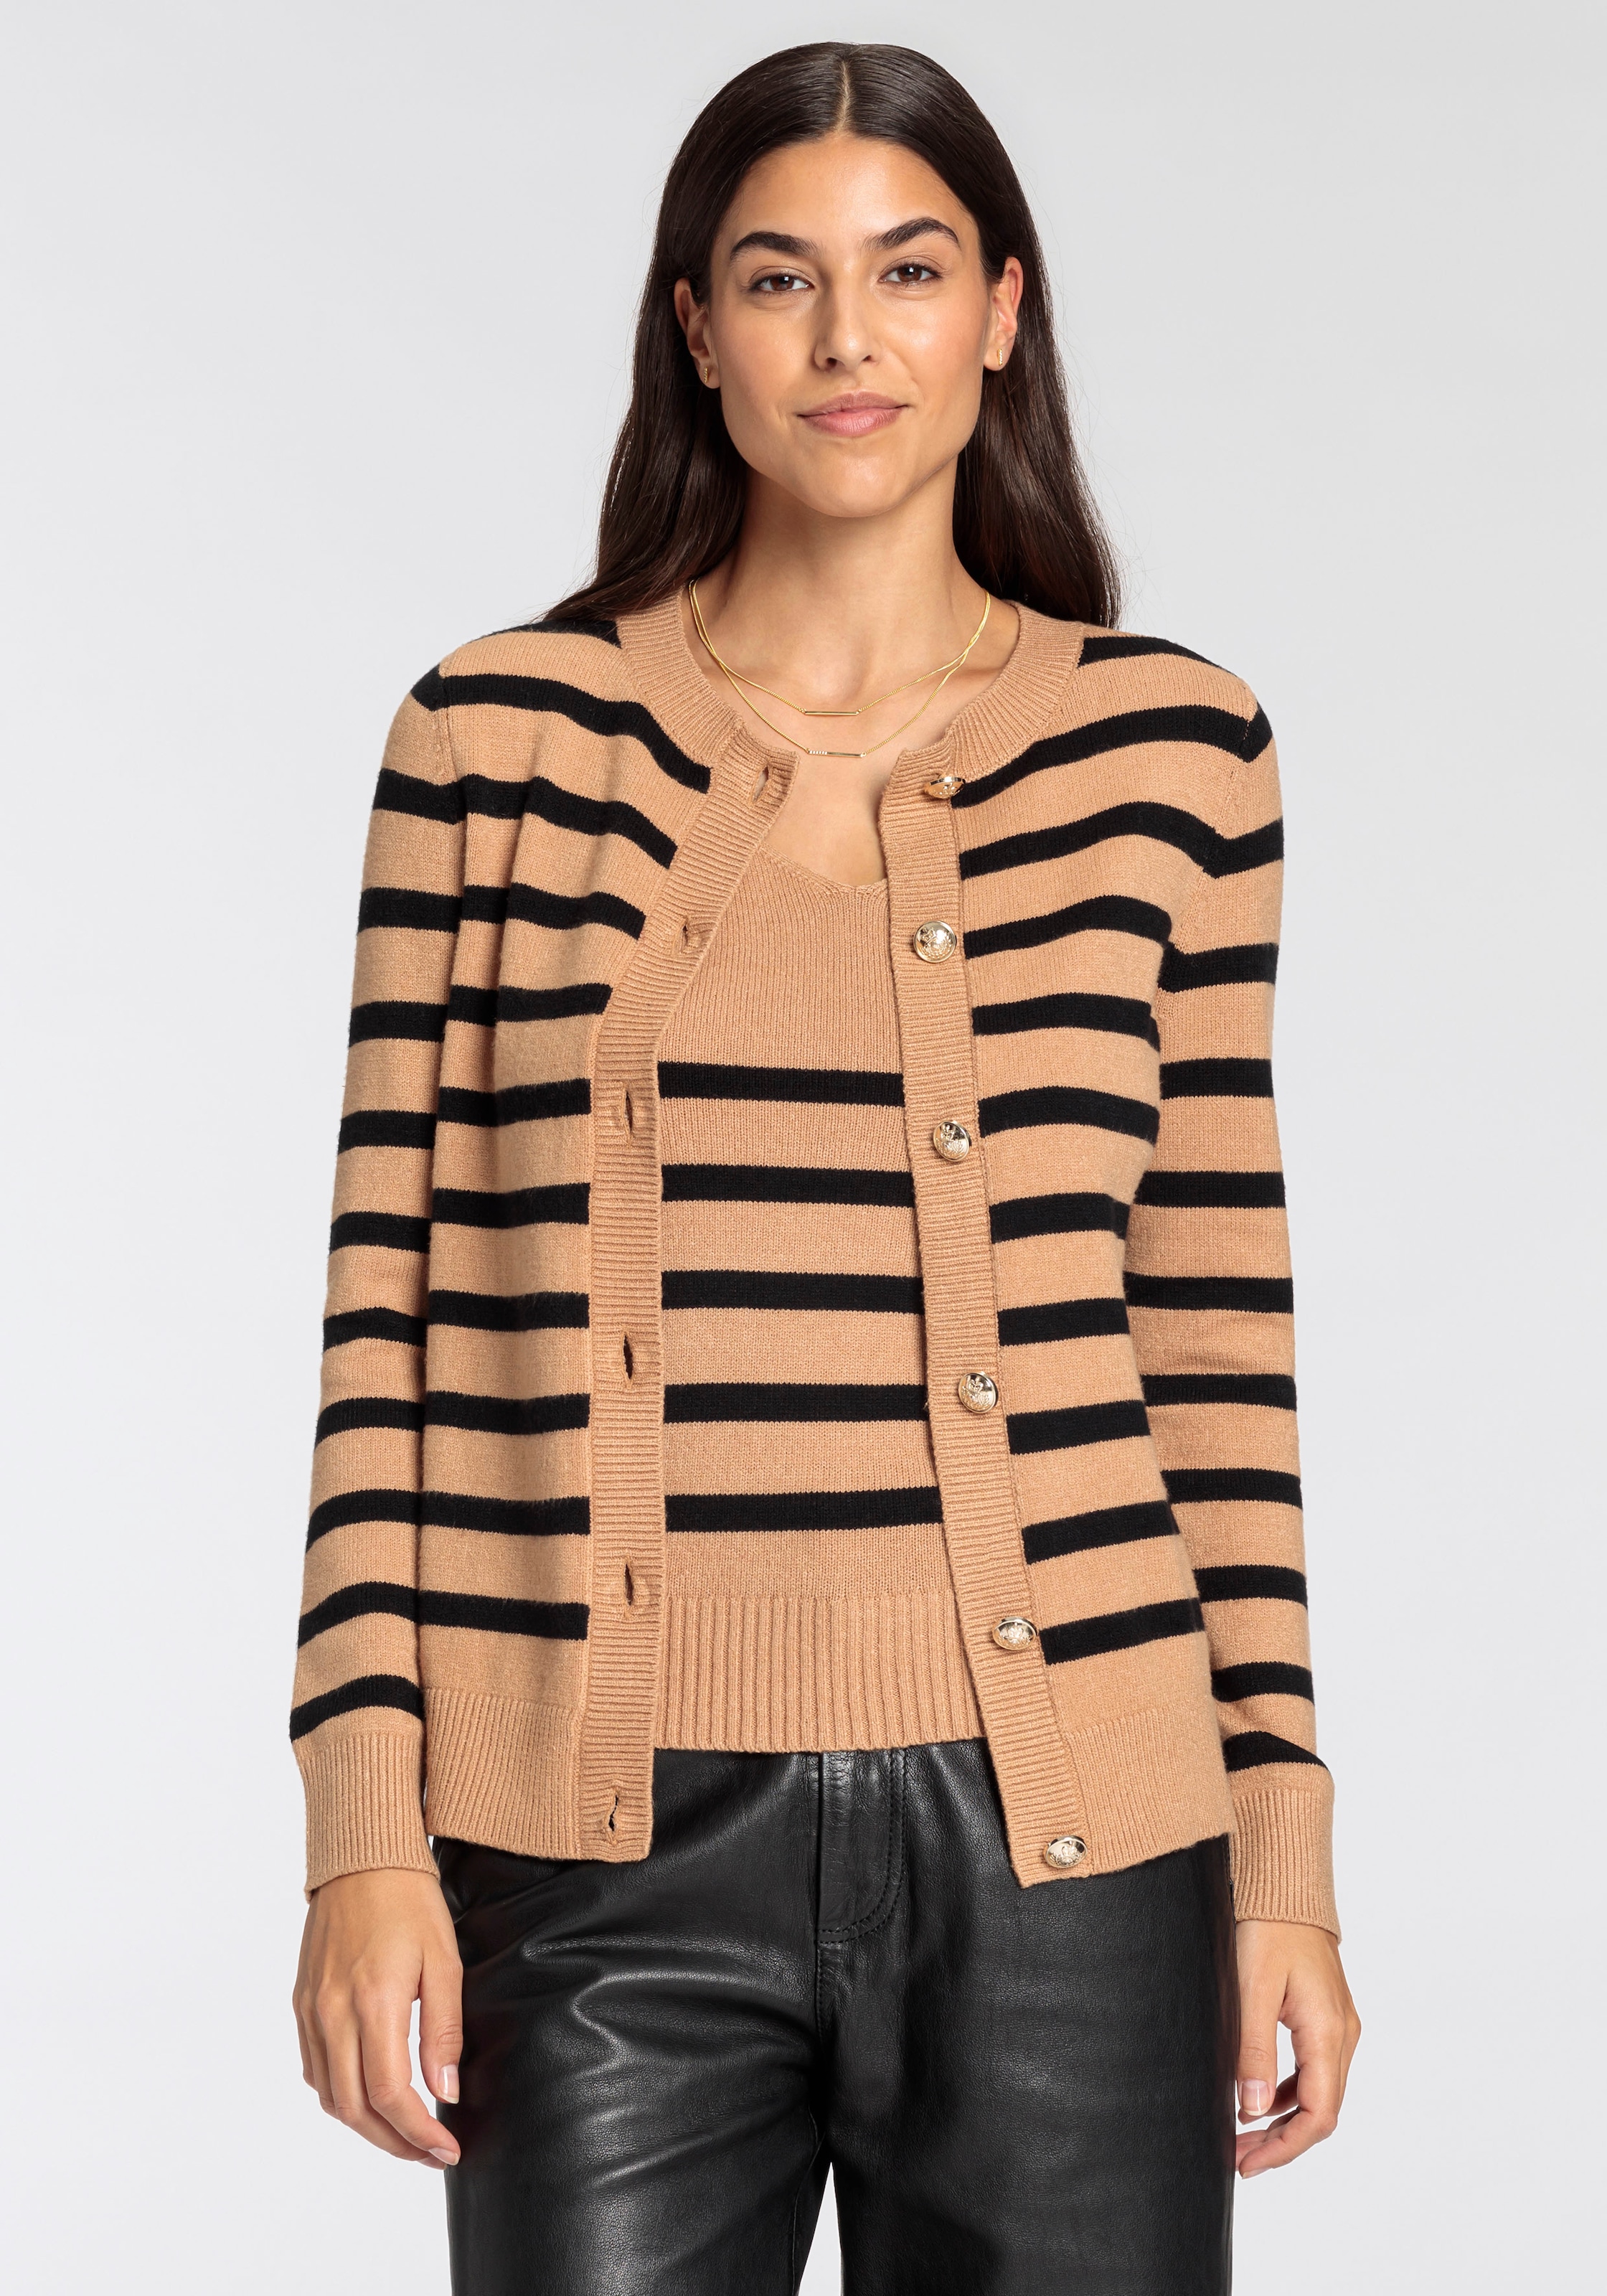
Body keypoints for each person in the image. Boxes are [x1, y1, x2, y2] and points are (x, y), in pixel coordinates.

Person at [290, 40, 1359, 2295]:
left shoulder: (1179, 755)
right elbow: (386, 1323)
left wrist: (1281, 1851)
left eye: (910, 271)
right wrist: (361, 1835)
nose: (848, 338)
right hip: (595, 1853)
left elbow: (1214, 1350)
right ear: (698, 328)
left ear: (1004, 310)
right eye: (781, 279)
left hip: (1081, 1852)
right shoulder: (497, 743)